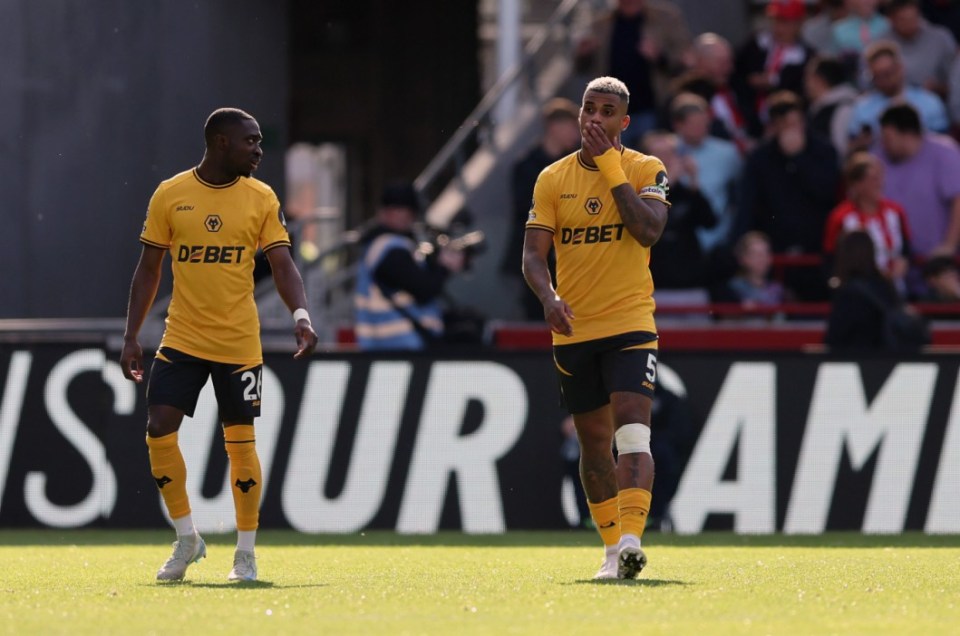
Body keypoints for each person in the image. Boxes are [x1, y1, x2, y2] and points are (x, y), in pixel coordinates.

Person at [120, 107, 319, 582]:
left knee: (240, 445)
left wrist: (302, 315)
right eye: (250, 141)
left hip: (238, 343)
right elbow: (149, 269)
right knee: (157, 428)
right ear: (221, 143)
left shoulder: (261, 198)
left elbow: (284, 263)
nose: (259, 150)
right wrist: (132, 335)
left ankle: (245, 553)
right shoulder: (171, 194)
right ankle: (187, 538)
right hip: (182, 338)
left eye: (259, 142)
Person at [522, 76, 669, 580]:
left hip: (630, 323)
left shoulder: (646, 168)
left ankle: (632, 539)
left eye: (608, 111)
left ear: (623, 122)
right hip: (574, 328)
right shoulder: (551, 178)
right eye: (590, 108)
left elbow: (647, 229)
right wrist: (549, 297)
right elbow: (532, 256)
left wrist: (609, 166)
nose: (595, 119)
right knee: (593, 447)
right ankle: (612, 551)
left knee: (633, 435)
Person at [733, 90, 840, 300]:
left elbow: (827, 192)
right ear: (774, 126)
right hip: (775, 253)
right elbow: (748, 204)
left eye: (796, 123)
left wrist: (799, 158)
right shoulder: (760, 158)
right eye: (784, 124)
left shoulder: (824, 151)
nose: (792, 130)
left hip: (817, 251)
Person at [354, 181, 466, 350]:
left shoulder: (383, 245)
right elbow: (423, 289)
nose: (403, 216)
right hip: (399, 345)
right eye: (398, 210)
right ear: (384, 213)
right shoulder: (390, 248)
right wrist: (444, 266)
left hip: (388, 345)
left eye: (406, 211)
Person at [571, 0, 692, 146]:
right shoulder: (601, 24)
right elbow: (582, 68)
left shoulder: (664, 18)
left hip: (651, 107)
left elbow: (685, 59)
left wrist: (659, 57)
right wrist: (584, 54)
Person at [503, 98, 581, 320]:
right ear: (554, 127)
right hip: (537, 249)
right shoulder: (526, 165)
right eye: (572, 127)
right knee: (537, 310)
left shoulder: (575, 166)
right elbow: (524, 208)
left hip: (568, 252)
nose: (576, 135)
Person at [874, 103, 960, 257]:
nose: (883, 144)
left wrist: (949, 246)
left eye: (887, 138)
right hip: (892, 262)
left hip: (936, 262)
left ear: (907, 134)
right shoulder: (877, 158)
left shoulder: (944, 153)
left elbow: (958, 201)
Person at [823, 152, 913, 294]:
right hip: (857, 293)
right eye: (872, 179)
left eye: (880, 177)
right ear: (856, 184)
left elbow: (906, 249)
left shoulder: (895, 212)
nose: (879, 183)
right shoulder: (840, 217)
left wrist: (903, 263)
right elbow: (830, 258)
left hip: (895, 291)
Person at [825, 229, 928, 350]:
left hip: (860, 357)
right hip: (889, 357)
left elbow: (835, 338)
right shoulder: (885, 285)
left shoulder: (847, 294)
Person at [643, 130, 716, 290]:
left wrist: (694, 182)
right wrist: (667, 184)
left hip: (691, 281)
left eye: (670, 153)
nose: (666, 160)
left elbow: (710, 221)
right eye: (659, 154)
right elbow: (654, 225)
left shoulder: (687, 192)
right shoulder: (638, 191)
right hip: (655, 284)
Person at [670, 92, 742, 253]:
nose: (700, 129)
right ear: (678, 125)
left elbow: (741, 192)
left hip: (718, 239)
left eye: (703, 123)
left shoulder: (727, 153)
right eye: (694, 124)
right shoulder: (665, 150)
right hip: (677, 241)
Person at [733, 0, 816, 138]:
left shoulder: (807, 57)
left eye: (785, 22)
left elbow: (802, 94)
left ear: (799, 24)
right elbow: (736, 74)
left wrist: (775, 83)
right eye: (775, 20)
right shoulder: (755, 44)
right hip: (748, 120)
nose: (779, 28)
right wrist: (751, 81)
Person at [847, 40, 949, 151]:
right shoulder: (862, 108)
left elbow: (944, 143)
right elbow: (853, 147)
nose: (884, 80)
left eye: (888, 73)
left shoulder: (930, 102)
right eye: (877, 76)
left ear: (900, 68)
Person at [882, 0, 957, 98]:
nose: (909, 24)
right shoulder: (880, 45)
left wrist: (938, 87)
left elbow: (955, 79)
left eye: (913, 19)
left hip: (937, 102)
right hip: (891, 103)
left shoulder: (941, 38)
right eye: (903, 20)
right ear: (891, 19)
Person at [711, 231, 788, 309]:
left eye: (765, 253)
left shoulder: (779, 291)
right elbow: (726, 317)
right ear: (742, 258)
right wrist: (742, 311)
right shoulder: (730, 290)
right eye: (755, 254)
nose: (762, 259)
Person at [805, 54, 859, 158]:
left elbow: (841, 150)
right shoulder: (816, 108)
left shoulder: (844, 108)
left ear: (820, 80)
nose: (806, 84)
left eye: (808, 78)